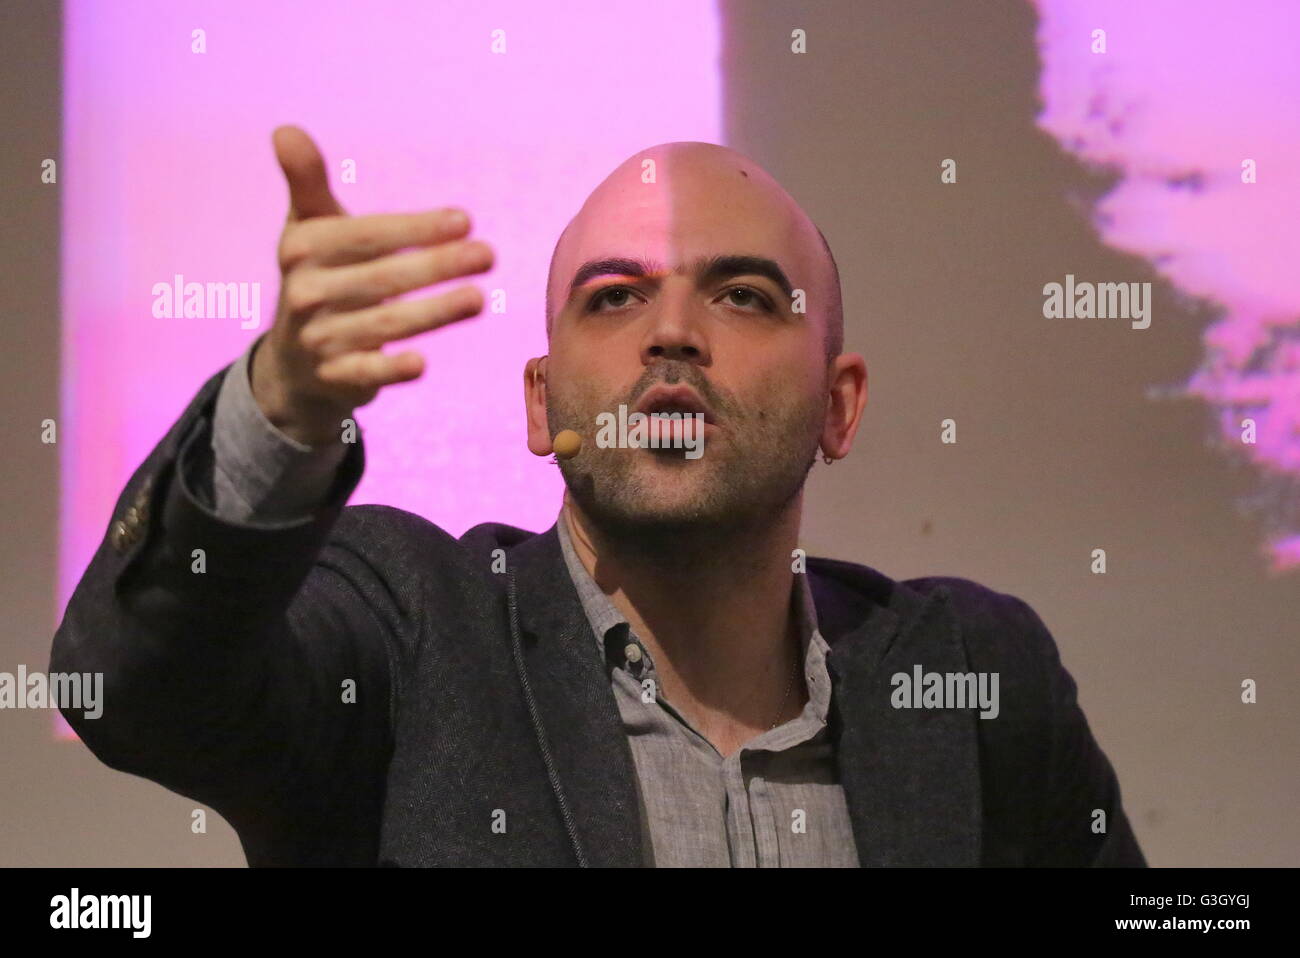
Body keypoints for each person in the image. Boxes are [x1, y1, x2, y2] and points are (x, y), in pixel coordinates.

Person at [51, 126, 1145, 867]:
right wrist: (276, 410)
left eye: (745, 296)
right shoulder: (410, 629)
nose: (672, 334)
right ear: (540, 404)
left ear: (838, 406)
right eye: (614, 297)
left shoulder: (971, 675)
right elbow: (134, 690)